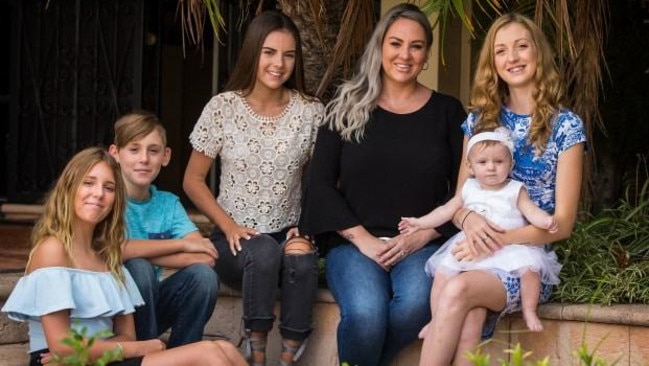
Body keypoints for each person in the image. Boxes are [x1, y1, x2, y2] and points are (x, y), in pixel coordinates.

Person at [298, 3, 467, 365]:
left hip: (421, 244)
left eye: (416, 46)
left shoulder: (449, 113)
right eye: (395, 43)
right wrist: (364, 240)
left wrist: (424, 235)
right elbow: (320, 185)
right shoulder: (343, 107)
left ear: (426, 55)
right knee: (365, 314)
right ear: (379, 47)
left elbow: (465, 191)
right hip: (354, 244)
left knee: (416, 306)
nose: (405, 54)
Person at [417, 13, 587, 366]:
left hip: (523, 260)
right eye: (501, 51)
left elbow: (563, 224)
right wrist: (467, 221)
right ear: (492, 63)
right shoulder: (480, 120)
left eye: (522, 46)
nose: (512, 58)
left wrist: (498, 240)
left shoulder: (566, 127)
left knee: (458, 290)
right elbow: (461, 198)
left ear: (538, 53)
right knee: (470, 319)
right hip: (473, 248)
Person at [1, 147, 247, 366]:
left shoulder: (107, 256)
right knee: (209, 355)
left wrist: (117, 348)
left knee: (224, 348)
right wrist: (141, 346)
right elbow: (63, 348)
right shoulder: (52, 249)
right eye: (88, 183)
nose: (98, 194)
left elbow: (126, 335)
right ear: (69, 189)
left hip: (107, 358)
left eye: (108, 188)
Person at [182, 10, 324, 366]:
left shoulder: (311, 112)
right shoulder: (223, 107)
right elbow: (192, 180)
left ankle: (289, 356)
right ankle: (255, 352)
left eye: (289, 55)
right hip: (235, 241)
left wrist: (305, 227)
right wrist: (228, 225)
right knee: (261, 251)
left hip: (286, 232)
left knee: (302, 258)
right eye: (269, 52)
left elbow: (320, 181)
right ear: (253, 53)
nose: (279, 63)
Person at [399, 127, 562, 334]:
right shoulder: (468, 188)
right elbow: (445, 211)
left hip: (508, 247)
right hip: (471, 246)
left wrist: (546, 221)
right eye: (483, 162)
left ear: (510, 164)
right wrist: (420, 223)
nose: (491, 168)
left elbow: (531, 211)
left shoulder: (515, 189)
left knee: (530, 270)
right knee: (442, 274)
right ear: (470, 166)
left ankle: (529, 311)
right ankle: (435, 320)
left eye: (499, 162)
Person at [108, 111, 219, 348]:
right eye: (134, 149)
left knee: (203, 276)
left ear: (165, 156)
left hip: (149, 305)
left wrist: (137, 250)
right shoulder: (106, 198)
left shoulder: (168, 203)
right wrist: (182, 243)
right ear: (115, 153)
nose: (144, 159)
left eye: (153, 150)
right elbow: (113, 250)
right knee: (139, 268)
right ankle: (147, 355)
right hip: (110, 312)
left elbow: (204, 257)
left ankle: (184, 355)